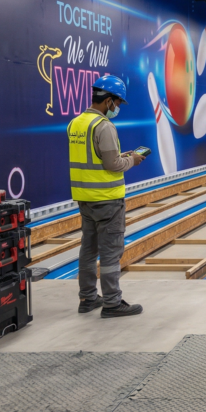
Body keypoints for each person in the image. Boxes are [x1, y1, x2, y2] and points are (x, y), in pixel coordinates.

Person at [67, 74, 145, 318]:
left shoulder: (76, 123)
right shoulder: (104, 126)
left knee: (88, 250)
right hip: (107, 200)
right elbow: (112, 165)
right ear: (109, 100)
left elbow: (96, 157)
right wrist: (132, 160)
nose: (117, 107)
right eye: (118, 103)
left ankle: (87, 298)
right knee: (111, 252)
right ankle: (112, 303)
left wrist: (122, 155)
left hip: (85, 199)